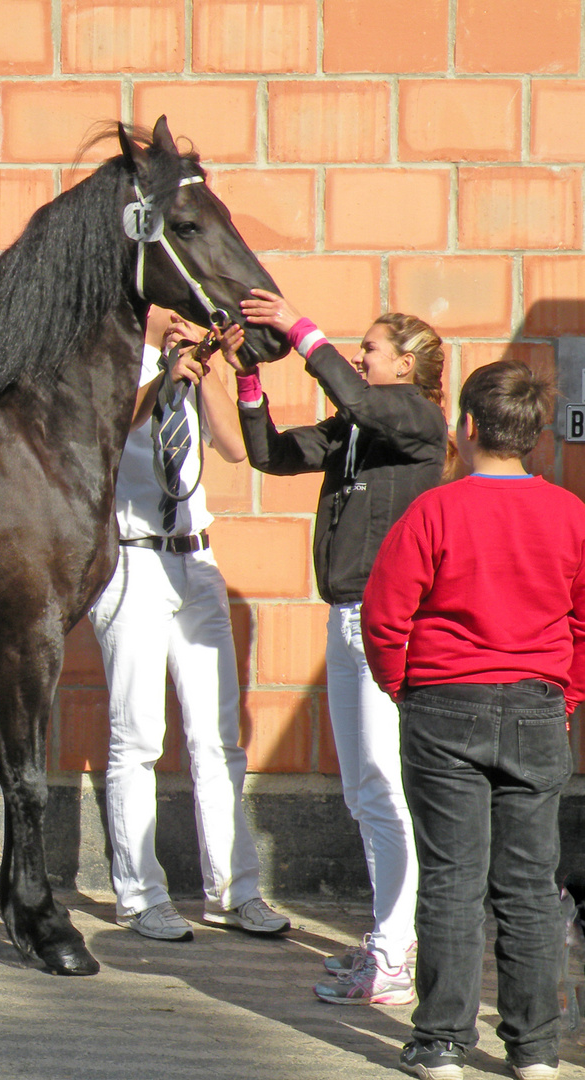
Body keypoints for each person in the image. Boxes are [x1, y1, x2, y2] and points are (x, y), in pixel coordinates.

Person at [362, 360, 582, 1080]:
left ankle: (440, 1044)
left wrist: (401, 685)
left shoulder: (435, 509)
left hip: (442, 703)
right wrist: (565, 694)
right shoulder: (570, 515)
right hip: (535, 706)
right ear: (537, 437)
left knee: (451, 879)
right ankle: (535, 1051)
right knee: (527, 885)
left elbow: (384, 614)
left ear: (464, 427)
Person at [232, 289, 448, 1005]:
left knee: (383, 791)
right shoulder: (357, 426)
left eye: (372, 347)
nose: (360, 355)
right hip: (345, 618)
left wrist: (298, 329)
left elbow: (359, 399)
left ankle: (393, 954)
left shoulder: (415, 418)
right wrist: (246, 379)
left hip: (384, 624)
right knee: (363, 794)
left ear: (407, 363)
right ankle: (388, 942)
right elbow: (271, 455)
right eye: (358, 346)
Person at [89, 305, 289, 942]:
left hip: (196, 559)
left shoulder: (193, 367)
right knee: (138, 738)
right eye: (168, 307)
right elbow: (101, 431)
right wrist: (161, 376)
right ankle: (140, 896)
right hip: (134, 560)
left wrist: (204, 373)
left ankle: (234, 892)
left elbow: (232, 448)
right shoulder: (113, 363)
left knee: (218, 738)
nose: (180, 315)